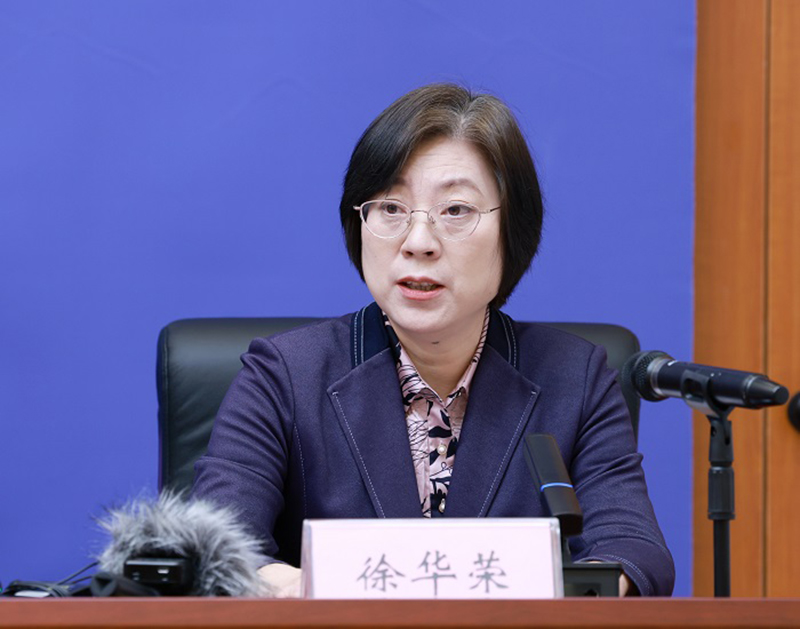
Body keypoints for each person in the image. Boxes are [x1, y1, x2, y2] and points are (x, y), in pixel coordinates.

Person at [192, 83, 675, 597]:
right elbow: (216, 548)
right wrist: (311, 591)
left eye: (455, 210)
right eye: (391, 208)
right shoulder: (284, 375)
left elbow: (633, 549)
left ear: (513, 230)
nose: (418, 242)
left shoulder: (574, 379)